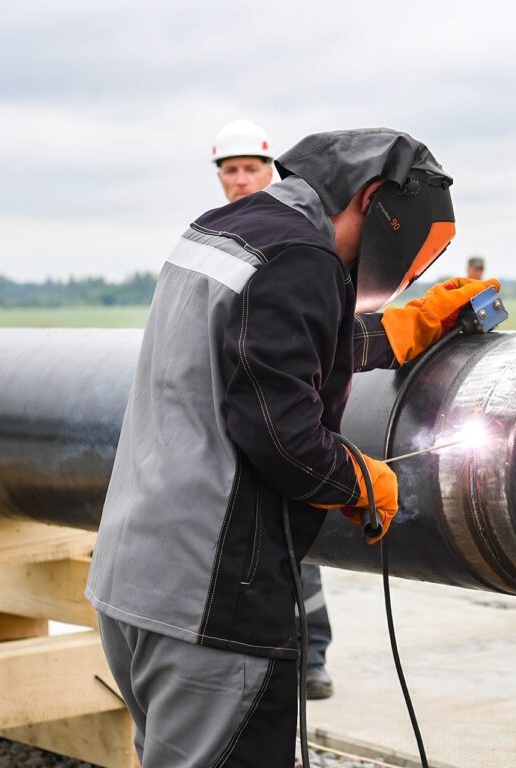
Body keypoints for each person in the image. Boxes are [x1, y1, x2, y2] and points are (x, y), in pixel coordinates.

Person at [86, 128, 497, 765]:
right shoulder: (300, 256)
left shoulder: (226, 229)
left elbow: (260, 348)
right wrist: (362, 480)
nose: (365, 271)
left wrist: (400, 328)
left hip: (136, 582)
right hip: (212, 600)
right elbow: (281, 434)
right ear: (372, 200)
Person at [210, 118, 339, 701]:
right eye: (229, 170)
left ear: (271, 172)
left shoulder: (296, 239)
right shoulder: (220, 239)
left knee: (296, 551)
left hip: (284, 422)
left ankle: (311, 658)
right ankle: (282, 660)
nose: (239, 180)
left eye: (250, 169)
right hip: (244, 434)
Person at [212, 118, 277, 203]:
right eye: (231, 171)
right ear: (220, 177)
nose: (241, 181)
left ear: (270, 174)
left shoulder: (292, 215)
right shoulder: (211, 216)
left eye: (251, 170)